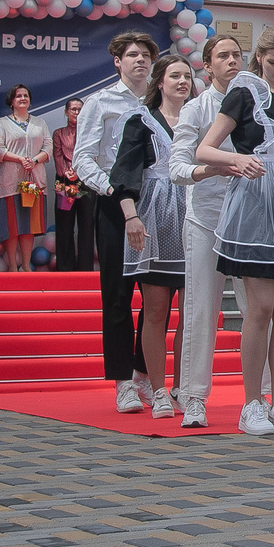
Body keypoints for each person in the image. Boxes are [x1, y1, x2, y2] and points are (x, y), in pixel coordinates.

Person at [196, 27, 274, 436]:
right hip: (253, 200)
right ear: (260, 59)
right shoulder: (244, 92)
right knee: (261, 307)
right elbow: (205, 148)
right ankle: (252, 403)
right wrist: (239, 161)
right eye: (273, 63)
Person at [71, 33, 156, 409]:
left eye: (145, 55)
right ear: (117, 62)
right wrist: (115, 190)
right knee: (118, 295)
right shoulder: (100, 102)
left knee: (156, 296)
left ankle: (143, 373)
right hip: (112, 204)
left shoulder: (161, 99)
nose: (140, 60)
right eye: (132, 55)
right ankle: (122, 381)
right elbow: (83, 158)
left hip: (157, 202)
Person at [168, 35, 245, 429]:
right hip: (206, 217)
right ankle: (194, 397)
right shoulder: (196, 109)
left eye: (237, 55)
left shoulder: (258, 100)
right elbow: (177, 168)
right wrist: (210, 169)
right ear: (207, 65)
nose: (233, 61)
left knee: (257, 311)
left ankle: (261, 399)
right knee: (201, 311)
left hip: (252, 219)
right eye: (223, 56)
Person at [112, 56, 194, 419]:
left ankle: (183, 387)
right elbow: (124, 175)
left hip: (194, 218)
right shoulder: (140, 122)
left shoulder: (201, 121)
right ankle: (157, 389)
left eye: (188, 76)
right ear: (159, 81)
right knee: (156, 310)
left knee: (191, 314)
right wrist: (131, 216)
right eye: (175, 75)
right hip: (156, 220)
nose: (182, 82)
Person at [0, 84, 50, 272]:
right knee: (11, 226)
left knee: (28, 225)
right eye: (19, 96)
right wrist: (20, 159)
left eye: (26, 95)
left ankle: (27, 266)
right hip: (10, 181)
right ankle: (13, 265)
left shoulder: (40, 123)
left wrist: (35, 160)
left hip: (34, 181)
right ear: (11, 101)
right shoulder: (2, 123)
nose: (23, 98)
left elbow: (48, 147)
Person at [51, 98, 90, 272]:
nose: (76, 113)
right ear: (66, 112)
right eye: (73, 109)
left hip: (86, 182)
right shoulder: (58, 133)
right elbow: (58, 156)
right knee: (64, 225)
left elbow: (92, 156)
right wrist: (66, 172)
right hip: (64, 182)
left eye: (80, 110)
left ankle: (85, 268)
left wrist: (79, 173)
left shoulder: (90, 132)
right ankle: (64, 268)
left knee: (86, 226)